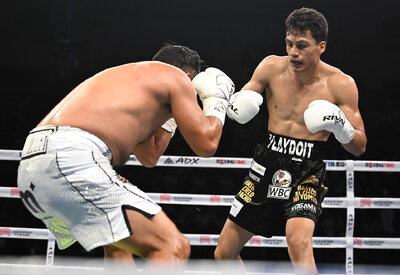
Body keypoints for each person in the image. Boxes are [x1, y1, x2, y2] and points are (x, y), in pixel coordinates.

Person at [17, 43, 236, 267]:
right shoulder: (178, 77)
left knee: (118, 245)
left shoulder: (128, 79)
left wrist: (170, 116)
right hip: (70, 156)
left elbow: (149, 156)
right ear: (189, 75)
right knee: (173, 246)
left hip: (32, 166)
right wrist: (216, 101)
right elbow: (207, 144)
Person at [215, 7, 367, 274]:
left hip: (307, 170)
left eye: (301, 45)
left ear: (321, 46)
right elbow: (243, 101)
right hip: (266, 164)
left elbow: (360, 146)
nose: (293, 52)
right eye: (289, 44)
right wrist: (235, 104)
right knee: (223, 252)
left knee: (298, 242)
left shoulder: (340, 84)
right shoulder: (271, 66)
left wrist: (341, 127)